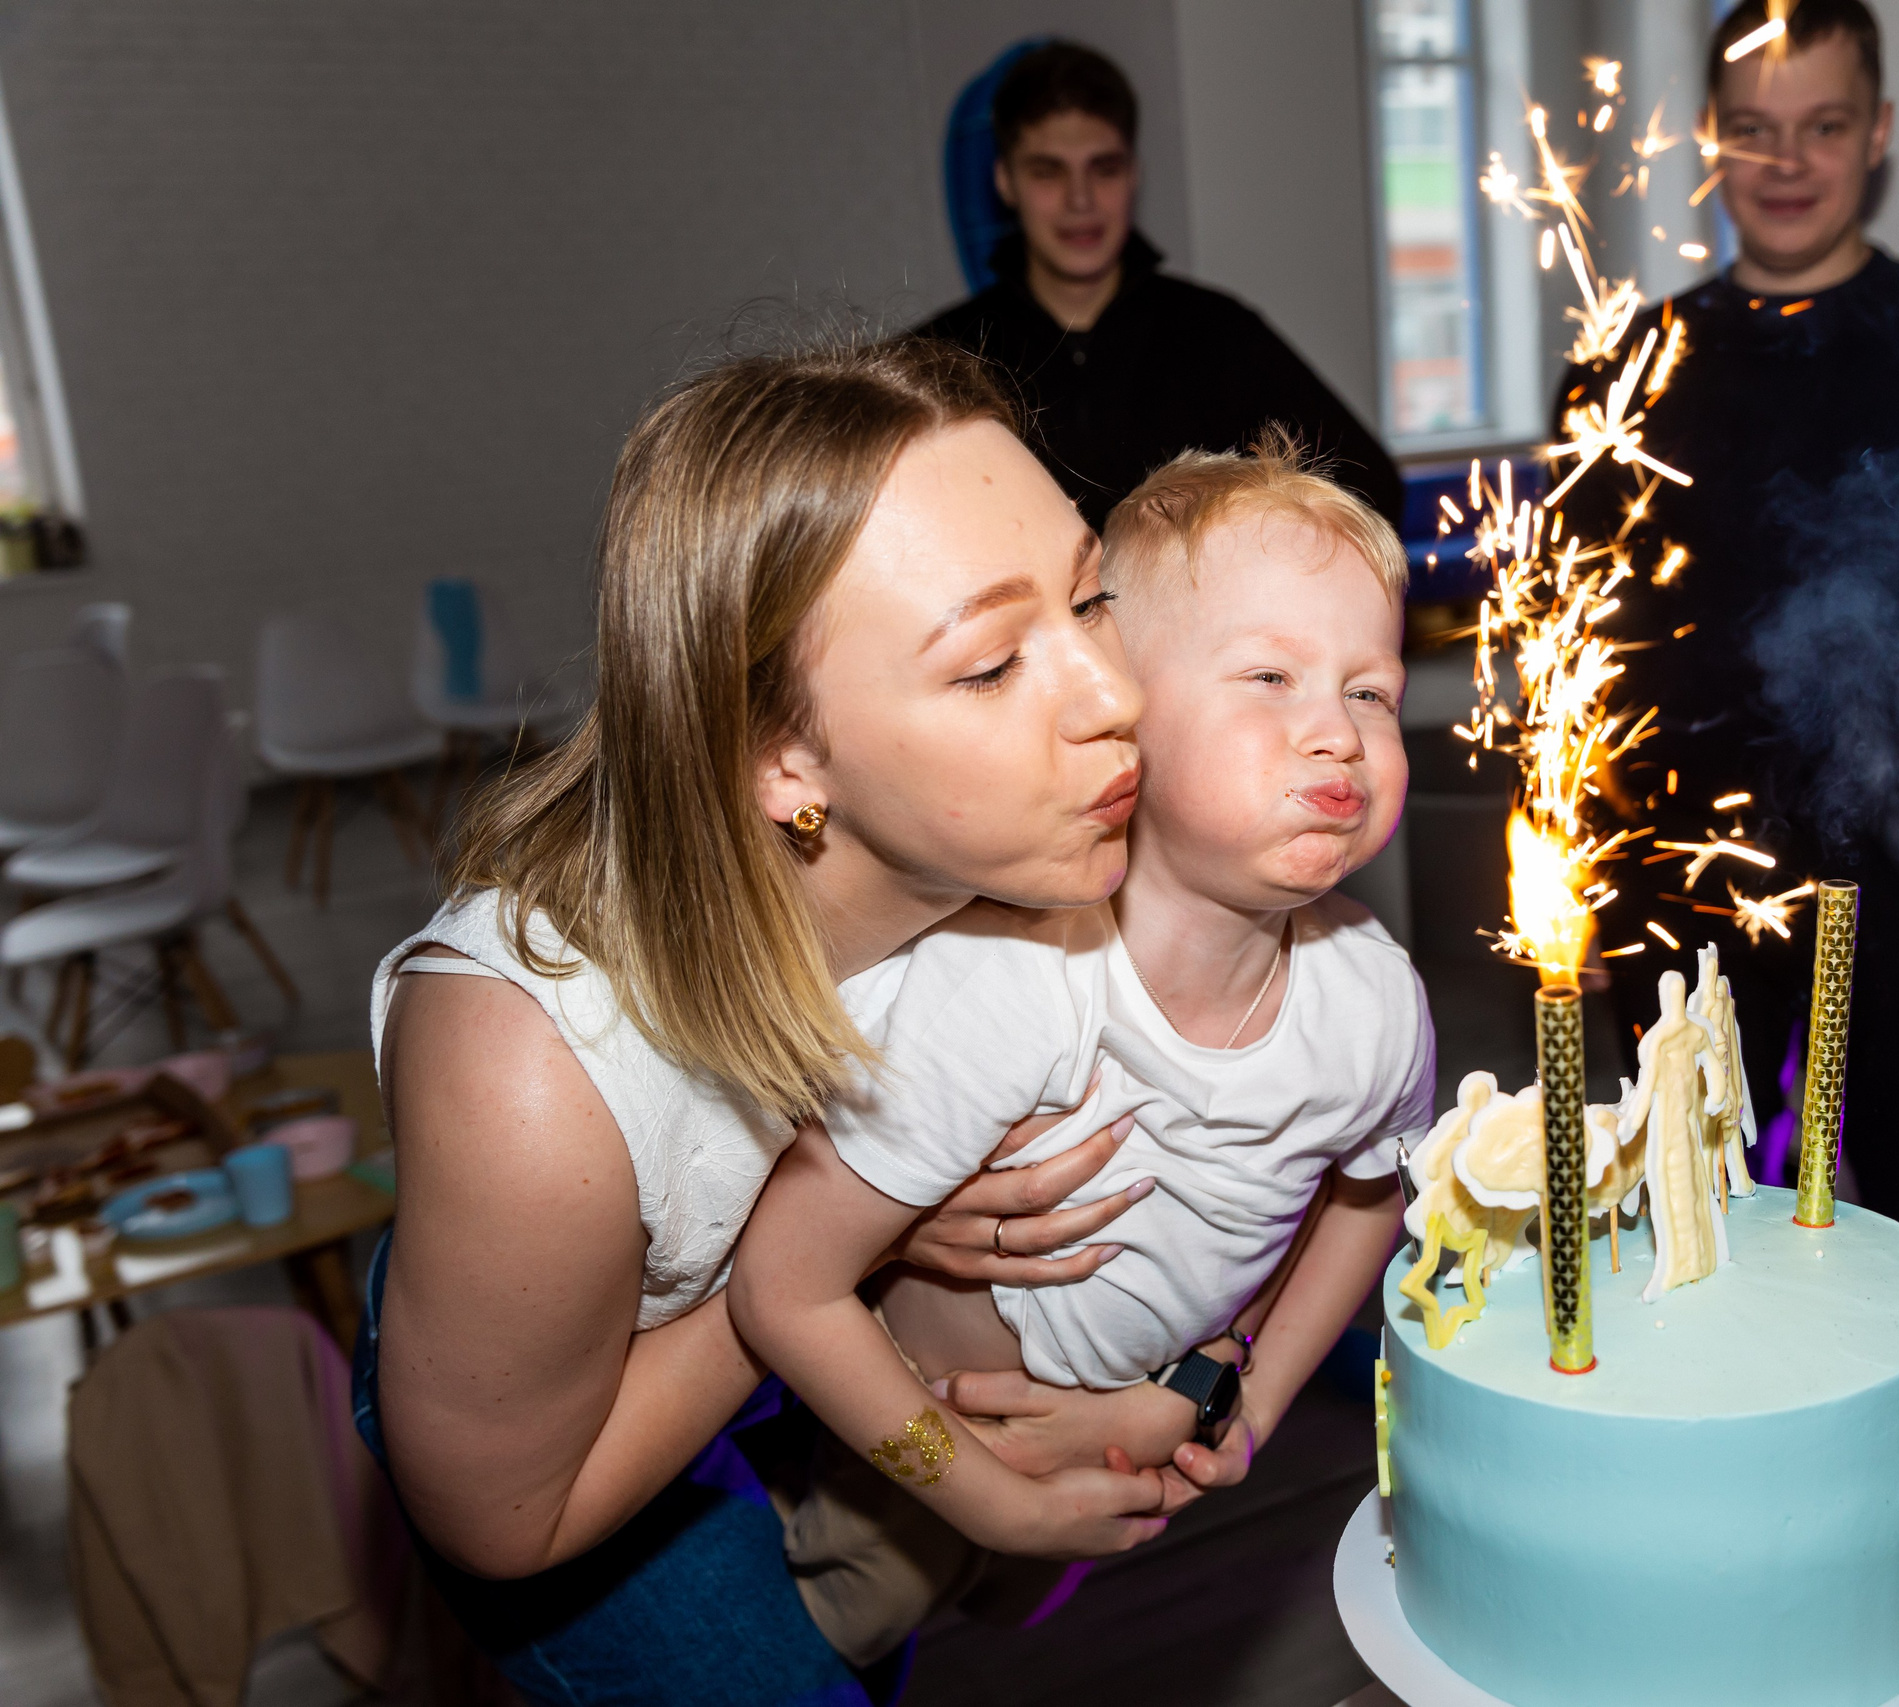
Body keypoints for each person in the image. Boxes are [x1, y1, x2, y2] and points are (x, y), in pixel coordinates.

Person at [365, 337, 1218, 1706]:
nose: (1116, 697)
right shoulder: (531, 1075)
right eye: (995, 663)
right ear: (782, 757)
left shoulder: (1012, 853)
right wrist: (839, 1236)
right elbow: (507, 1520)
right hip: (555, 1414)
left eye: (1091, 597)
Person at [1547, 0, 1899, 1504]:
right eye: (1755, 127)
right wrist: (1586, 879)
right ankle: (1723, 1526)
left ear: (1881, 131)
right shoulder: (1634, 357)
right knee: (1685, 1217)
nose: (1787, 162)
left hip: (1897, 888)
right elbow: (1567, 644)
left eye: (1826, 125)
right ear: (1708, 135)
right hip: (1668, 896)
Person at [729, 438, 1423, 1602]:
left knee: (1011, 1619)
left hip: (1129, 1434)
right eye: (1269, 679)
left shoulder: (1372, 999)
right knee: (830, 1646)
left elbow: (1368, 1195)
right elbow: (782, 1287)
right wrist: (981, 1493)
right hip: (911, 1444)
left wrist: (1241, 1396)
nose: (1336, 730)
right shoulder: (1015, 979)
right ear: (1121, 720)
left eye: (1370, 691)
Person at [918, 41, 1403, 531]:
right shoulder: (945, 361)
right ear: (1005, 181)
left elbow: (1371, 490)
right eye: (1049, 172)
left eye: (1103, 168)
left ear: (1134, 174)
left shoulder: (1221, 335)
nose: (1080, 199)